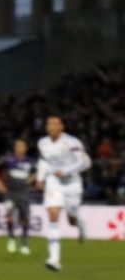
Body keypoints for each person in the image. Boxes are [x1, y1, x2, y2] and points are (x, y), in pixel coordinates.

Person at [36, 115, 90, 272]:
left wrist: (66, 170)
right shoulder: (43, 143)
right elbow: (44, 162)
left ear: (61, 127)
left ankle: (80, 224)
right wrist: (40, 178)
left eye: (55, 124)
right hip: (54, 182)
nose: (52, 127)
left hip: (72, 184)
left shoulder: (72, 142)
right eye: (49, 124)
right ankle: (54, 259)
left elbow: (85, 162)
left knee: (71, 219)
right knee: (53, 215)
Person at [0, 139, 36, 255]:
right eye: (17, 146)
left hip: (24, 193)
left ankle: (24, 244)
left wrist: (32, 178)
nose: (19, 148)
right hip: (11, 192)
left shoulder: (30, 161)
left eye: (21, 146)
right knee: (9, 215)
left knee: (25, 219)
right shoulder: (8, 159)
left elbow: (40, 171)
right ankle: (11, 239)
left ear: (25, 148)